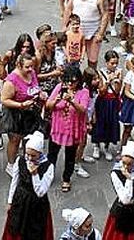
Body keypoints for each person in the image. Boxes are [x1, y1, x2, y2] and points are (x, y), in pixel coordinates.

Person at [46, 65, 91, 193]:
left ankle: (66, 178)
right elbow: (48, 105)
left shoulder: (84, 92)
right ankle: (49, 175)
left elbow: (82, 110)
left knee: (70, 156)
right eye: (68, 81)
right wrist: (56, 100)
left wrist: (71, 100)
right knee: (52, 154)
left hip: (73, 129)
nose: (70, 84)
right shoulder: (59, 87)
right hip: (57, 128)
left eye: (74, 81)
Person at [2, 131, 55, 240]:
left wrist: (34, 175)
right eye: (27, 154)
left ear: (40, 153)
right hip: (20, 200)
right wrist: (10, 201)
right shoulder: (20, 160)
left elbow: (40, 192)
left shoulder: (48, 167)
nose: (29, 158)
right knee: (15, 228)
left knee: (35, 232)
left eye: (33, 155)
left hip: (37, 205)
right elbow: (15, 181)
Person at [0, 54, 43, 173]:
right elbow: (4, 100)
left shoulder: (32, 73)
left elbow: (34, 87)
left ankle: (27, 160)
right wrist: (21, 105)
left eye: (32, 66)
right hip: (16, 113)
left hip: (30, 112)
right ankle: (11, 164)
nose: (31, 70)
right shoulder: (11, 81)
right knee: (15, 139)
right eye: (27, 67)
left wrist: (40, 94)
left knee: (28, 138)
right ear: (19, 66)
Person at [102, 142, 134, 240]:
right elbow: (125, 199)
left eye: (129, 164)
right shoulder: (115, 173)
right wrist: (129, 180)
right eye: (123, 163)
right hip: (122, 214)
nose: (125, 167)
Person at [65, 0, 109, 69]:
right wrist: (65, 26)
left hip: (93, 33)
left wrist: (101, 33)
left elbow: (105, 14)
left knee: (92, 61)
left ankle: (89, 81)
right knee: (72, 60)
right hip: (76, 32)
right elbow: (68, 8)